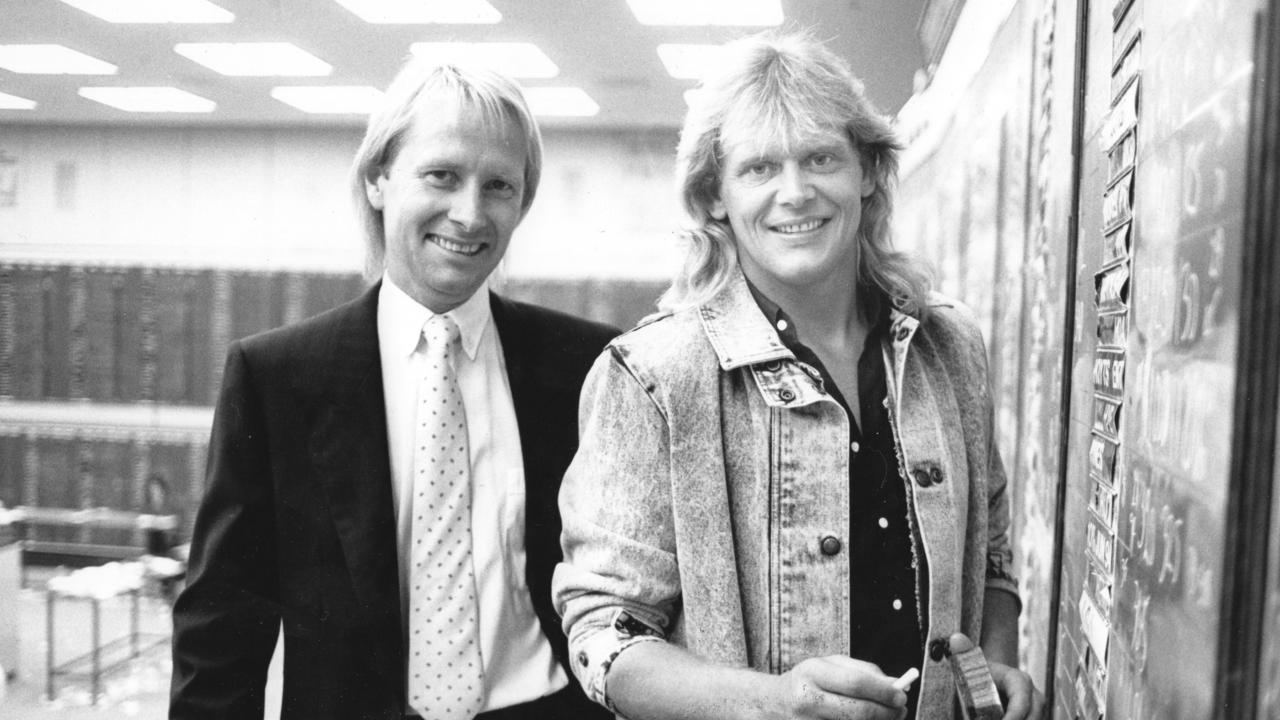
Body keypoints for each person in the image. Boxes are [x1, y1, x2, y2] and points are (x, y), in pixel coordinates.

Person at [554, 31, 1046, 720]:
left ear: (868, 173)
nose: (795, 192)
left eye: (821, 158)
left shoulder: (949, 347)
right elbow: (606, 635)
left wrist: (994, 664)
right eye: (759, 168)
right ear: (714, 196)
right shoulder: (653, 379)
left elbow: (990, 561)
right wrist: (772, 703)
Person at [170, 56, 617, 720]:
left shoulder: (587, 367)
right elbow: (222, 628)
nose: (470, 213)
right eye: (442, 175)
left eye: (499, 185)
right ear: (379, 179)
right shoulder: (279, 380)